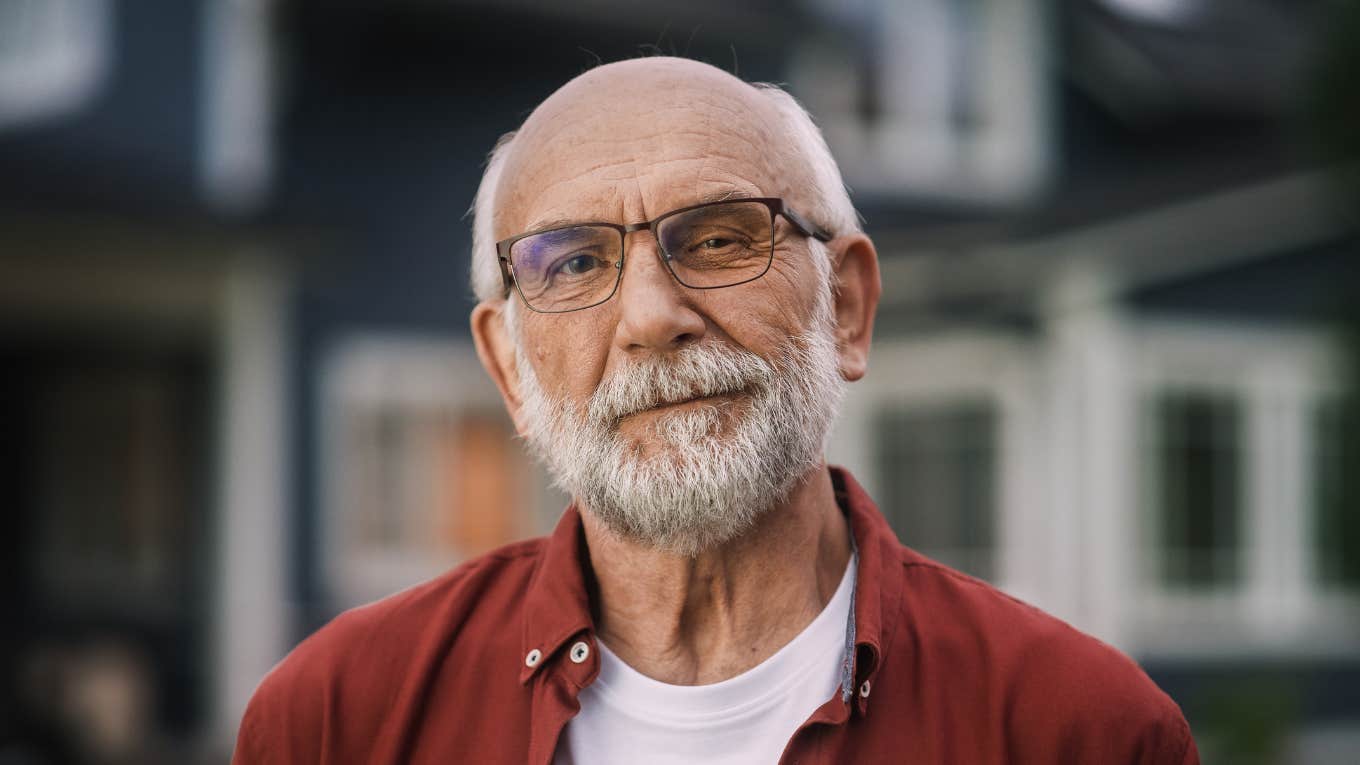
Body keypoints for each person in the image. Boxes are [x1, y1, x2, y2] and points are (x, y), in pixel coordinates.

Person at [232, 57, 1199, 764]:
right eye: (574, 262)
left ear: (849, 308)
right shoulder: (336, 721)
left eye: (723, 239)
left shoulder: (1083, 732)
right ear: (510, 368)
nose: (653, 317)